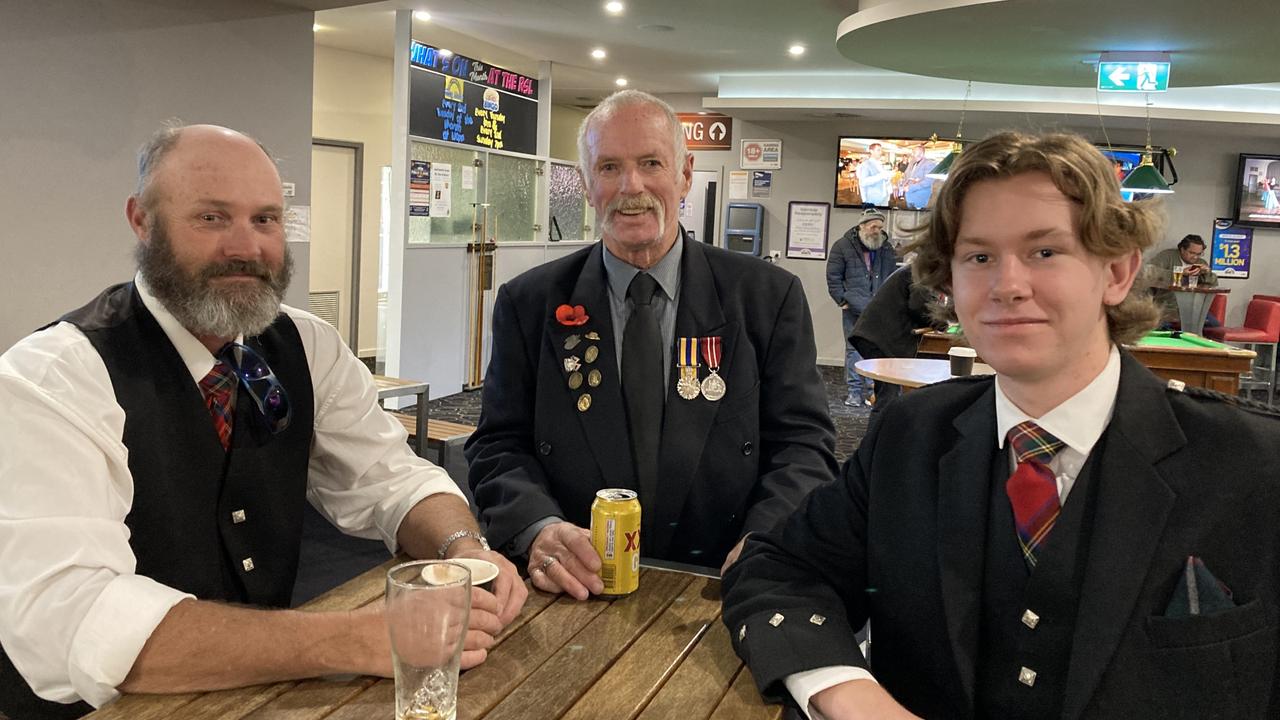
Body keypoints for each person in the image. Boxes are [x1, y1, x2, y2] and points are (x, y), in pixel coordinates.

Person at [723, 131, 1280, 719]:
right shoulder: (909, 438)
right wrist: (852, 697)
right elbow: (777, 570)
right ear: (950, 284)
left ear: (1116, 272)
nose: (1008, 285)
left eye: (1045, 251)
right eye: (979, 256)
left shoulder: (1254, 468)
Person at [0, 124, 527, 719]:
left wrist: (466, 551)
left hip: (268, 698)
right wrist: (353, 638)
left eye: (266, 220)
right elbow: (73, 616)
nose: (246, 248)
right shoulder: (51, 378)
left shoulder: (307, 344)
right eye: (211, 218)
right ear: (141, 221)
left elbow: (391, 478)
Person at [465, 90, 837, 600]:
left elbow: (803, 445)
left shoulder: (766, 298)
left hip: (721, 583)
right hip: (574, 584)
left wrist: (766, 538)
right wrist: (538, 528)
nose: (630, 186)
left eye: (650, 163)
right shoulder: (528, 303)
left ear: (684, 175)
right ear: (588, 184)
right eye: (609, 167)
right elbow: (497, 445)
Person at [826, 209, 900, 406]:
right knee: (853, 350)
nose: (877, 231)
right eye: (873, 226)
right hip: (853, 308)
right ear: (862, 226)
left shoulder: (886, 248)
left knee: (876, 350)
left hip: (878, 309)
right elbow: (833, 277)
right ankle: (854, 393)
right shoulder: (842, 246)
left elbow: (893, 277)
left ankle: (872, 392)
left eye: (880, 227)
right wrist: (842, 300)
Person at [849, 265, 943, 414]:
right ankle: (878, 435)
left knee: (888, 394)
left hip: (877, 337)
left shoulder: (916, 270)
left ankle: (880, 433)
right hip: (881, 339)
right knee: (888, 397)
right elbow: (919, 306)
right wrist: (942, 321)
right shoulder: (921, 271)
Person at [1143, 234, 1219, 328]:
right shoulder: (1168, 256)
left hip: (1193, 310)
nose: (1195, 257)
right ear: (1182, 249)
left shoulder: (1201, 263)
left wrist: (1207, 273)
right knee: (1162, 325)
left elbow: (1214, 285)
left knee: (1213, 324)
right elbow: (1149, 272)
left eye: (1199, 254)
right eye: (1192, 253)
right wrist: (1179, 273)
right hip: (1168, 307)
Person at [899, 144, 938, 210]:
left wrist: (910, 187)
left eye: (914, 152)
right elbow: (906, 175)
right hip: (908, 196)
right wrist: (901, 183)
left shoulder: (929, 163)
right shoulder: (911, 162)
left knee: (918, 218)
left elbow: (928, 181)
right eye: (912, 152)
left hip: (920, 198)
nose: (912, 154)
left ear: (921, 154)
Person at [855, 143, 892, 207]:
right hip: (873, 200)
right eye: (878, 150)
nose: (880, 152)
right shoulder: (865, 164)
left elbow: (883, 178)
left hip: (884, 197)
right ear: (871, 151)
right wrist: (881, 176)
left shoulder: (880, 164)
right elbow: (863, 182)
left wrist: (887, 178)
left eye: (881, 150)